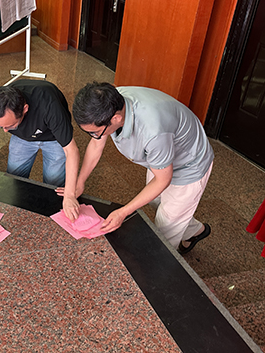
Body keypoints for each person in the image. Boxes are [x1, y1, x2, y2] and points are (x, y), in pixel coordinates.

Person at [70, 82, 214, 254]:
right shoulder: (109, 101)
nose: (94, 136)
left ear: (116, 119)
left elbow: (163, 180)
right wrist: (80, 182)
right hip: (162, 158)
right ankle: (195, 231)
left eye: (95, 132)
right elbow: (96, 144)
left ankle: (161, 264)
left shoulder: (153, 131)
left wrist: (123, 212)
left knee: (165, 229)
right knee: (157, 202)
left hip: (188, 165)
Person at [0, 79, 81, 220]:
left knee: (53, 183)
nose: (5, 131)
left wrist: (69, 196)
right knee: (14, 178)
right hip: (22, 137)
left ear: (25, 109)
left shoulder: (49, 106)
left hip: (53, 137)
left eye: (10, 126)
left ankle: (52, 216)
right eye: (0, 126)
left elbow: (72, 151)